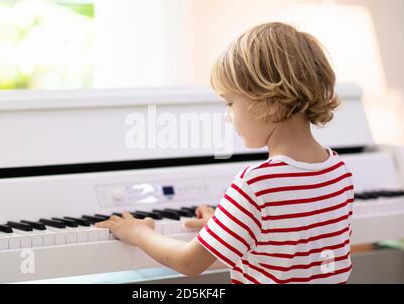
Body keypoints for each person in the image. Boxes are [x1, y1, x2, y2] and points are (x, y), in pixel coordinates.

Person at [96, 22, 354, 284]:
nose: (228, 117)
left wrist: (138, 233)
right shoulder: (338, 171)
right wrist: (227, 227)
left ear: (269, 104)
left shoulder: (257, 183)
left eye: (231, 103)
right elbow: (284, 242)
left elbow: (189, 262)